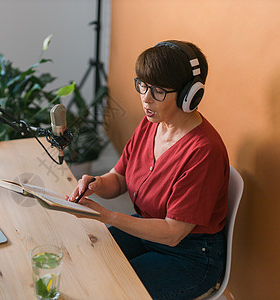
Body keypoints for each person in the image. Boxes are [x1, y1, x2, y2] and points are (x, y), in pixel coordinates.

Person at [67, 40, 229, 300]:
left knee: (109, 291)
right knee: (85, 259)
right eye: (142, 85)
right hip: (147, 228)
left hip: (190, 256)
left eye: (158, 91)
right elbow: (119, 179)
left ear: (190, 95)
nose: (145, 97)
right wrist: (96, 183)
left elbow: (174, 233)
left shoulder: (203, 151)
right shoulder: (152, 122)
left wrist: (106, 216)